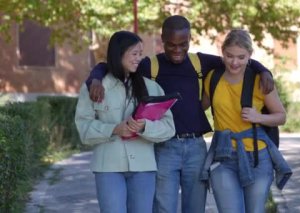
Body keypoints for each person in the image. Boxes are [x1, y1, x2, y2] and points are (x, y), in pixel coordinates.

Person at [86, 16, 274, 213]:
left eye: (183, 44)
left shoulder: (198, 62)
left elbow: (237, 58)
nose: (177, 50)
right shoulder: (150, 65)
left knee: (195, 208)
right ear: (162, 39)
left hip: (196, 148)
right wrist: (96, 79)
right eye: (171, 45)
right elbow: (111, 64)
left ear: (190, 39)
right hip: (164, 147)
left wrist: (264, 70)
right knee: (164, 207)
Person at [75, 31, 175, 213]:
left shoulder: (151, 87)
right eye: (134, 54)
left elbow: (169, 128)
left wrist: (145, 127)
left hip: (143, 167)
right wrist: (114, 129)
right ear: (118, 53)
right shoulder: (95, 88)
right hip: (108, 168)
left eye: (141, 54)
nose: (139, 59)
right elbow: (83, 129)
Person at [201, 29, 288, 213]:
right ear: (222, 52)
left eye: (241, 57)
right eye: (229, 56)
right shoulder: (213, 79)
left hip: (257, 157)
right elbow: (199, 108)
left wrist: (259, 117)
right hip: (223, 156)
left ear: (250, 55)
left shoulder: (260, 81)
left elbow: (281, 116)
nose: (234, 62)